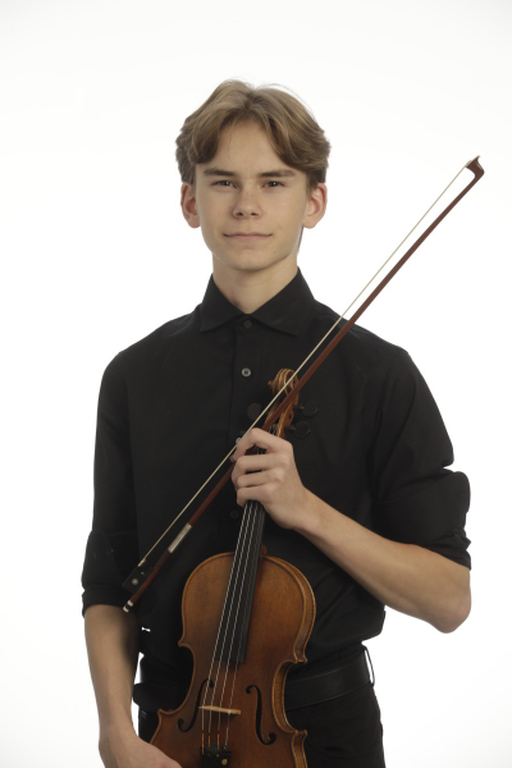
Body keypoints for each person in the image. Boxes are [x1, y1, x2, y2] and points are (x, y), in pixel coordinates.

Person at [83, 80, 471, 768]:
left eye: (274, 181)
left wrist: (307, 510)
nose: (247, 205)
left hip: (326, 737)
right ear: (189, 201)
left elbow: (448, 600)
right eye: (223, 181)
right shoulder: (135, 375)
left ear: (313, 201)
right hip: (166, 734)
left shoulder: (380, 375)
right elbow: (109, 584)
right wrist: (116, 733)